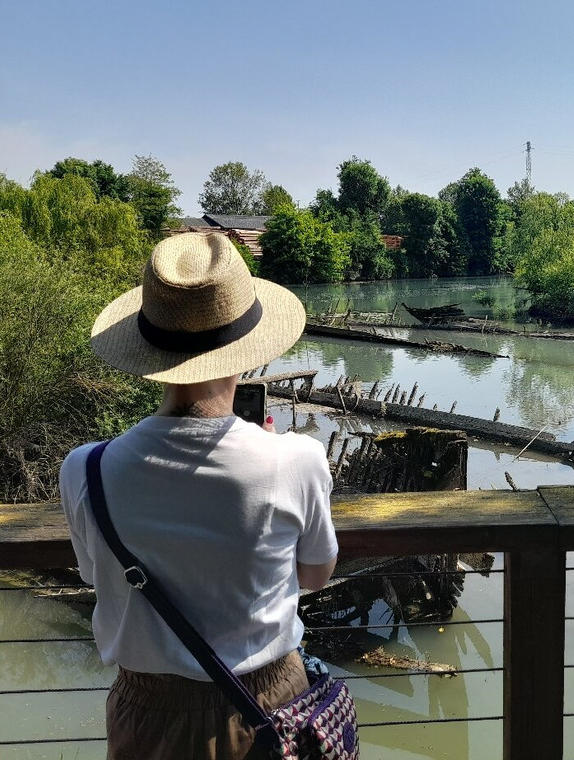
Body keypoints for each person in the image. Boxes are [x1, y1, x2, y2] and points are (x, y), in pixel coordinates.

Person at [60, 233, 338, 760]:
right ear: (246, 350)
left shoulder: (85, 469)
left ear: (151, 354)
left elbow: (94, 575)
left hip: (145, 713)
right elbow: (314, 575)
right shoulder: (296, 459)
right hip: (268, 706)